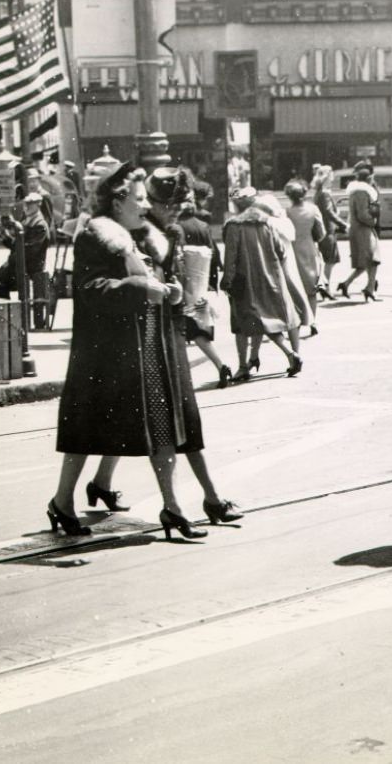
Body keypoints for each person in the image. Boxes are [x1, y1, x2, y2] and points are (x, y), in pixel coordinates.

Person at [49, 163, 226, 541]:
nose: (146, 206)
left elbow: (159, 284)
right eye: (140, 198)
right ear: (117, 200)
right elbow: (89, 289)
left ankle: (172, 507)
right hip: (114, 353)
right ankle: (62, 501)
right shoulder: (95, 237)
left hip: (156, 348)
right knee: (90, 432)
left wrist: (173, 292)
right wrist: (137, 287)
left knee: (164, 429)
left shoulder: (147, 238)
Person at [146, 166, 233, 388]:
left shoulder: (174, 231)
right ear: (153, 203)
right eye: (172, 206)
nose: (177, 211)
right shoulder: (144, 233)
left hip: (175, 319)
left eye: (180, 205)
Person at [221, 186, 303, 380]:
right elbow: (281, 251)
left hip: (244, 281)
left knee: (241, 325)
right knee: (265, 319)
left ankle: (244, 366)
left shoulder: (233, 225)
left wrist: (227, 282)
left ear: (237, 205)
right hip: (270, 279)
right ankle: (273, 356)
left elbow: (230, 258)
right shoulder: (267, 223)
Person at [0, 192, 51, 299]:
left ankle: (5, 313)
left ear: (39, 205)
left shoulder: (39, 224)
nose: (27, 207)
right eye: (26, 204)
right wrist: (5, 236)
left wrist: (10, 260)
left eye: (31, 204)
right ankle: (5, 312)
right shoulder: (27, 221)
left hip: (29, 267)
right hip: (20, 264)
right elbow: (17, 245)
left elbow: (30, 251)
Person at [284, 180, 326, 335]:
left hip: (292, 252)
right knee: (311, 290)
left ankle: (298, 322)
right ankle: (313, 321)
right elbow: (321, 233)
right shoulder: (313, 209)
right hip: (309, 250)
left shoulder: (286, 212)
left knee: (294, 289)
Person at [337, 160, 381, 301]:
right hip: (363, 229)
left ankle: (367, 287)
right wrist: (372, 220)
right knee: (370, 260)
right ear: (369, 178)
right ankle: (365, 288)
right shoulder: (362, 192)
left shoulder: (356, 191)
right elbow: (362, 214)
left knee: (371, 260)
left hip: (361, 229)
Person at [310, 165, 347, 299]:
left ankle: (324, 286)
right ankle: (325, 287)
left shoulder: (319, 192)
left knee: (328, 260)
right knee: (330, 260)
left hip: (324, 229)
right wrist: (343, 224)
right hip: (328, 230)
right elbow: (328, 212)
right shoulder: (325, 193)